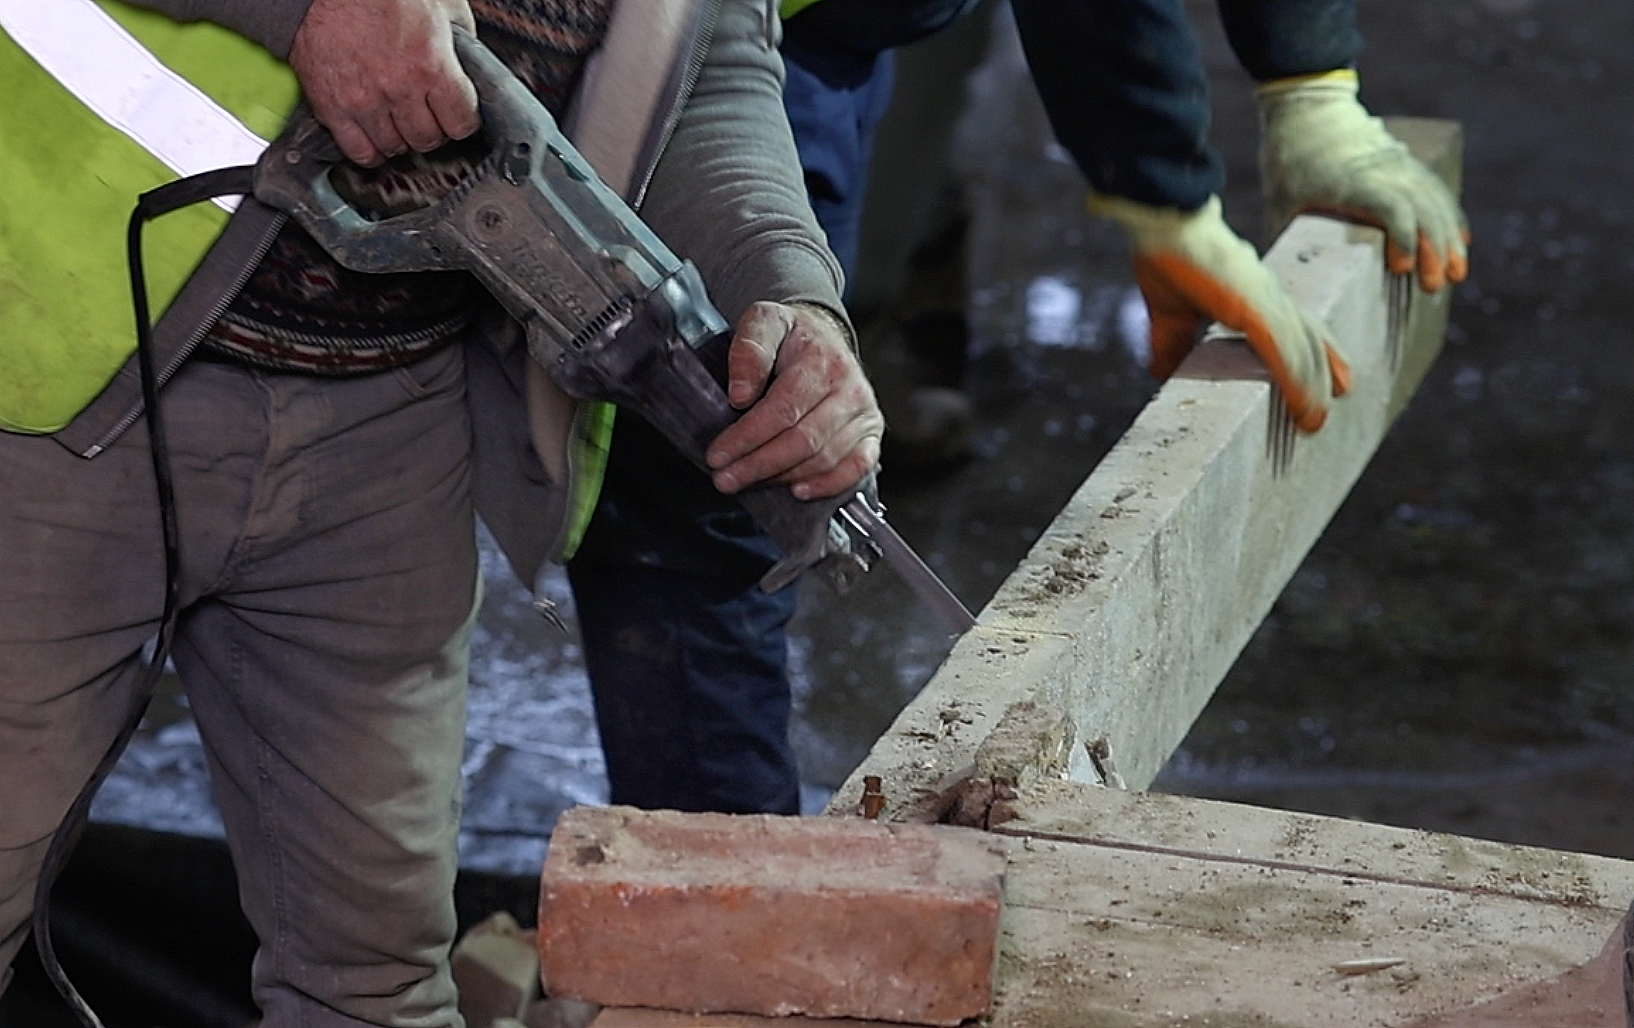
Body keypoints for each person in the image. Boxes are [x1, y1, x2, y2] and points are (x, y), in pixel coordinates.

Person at [0, 0, 882, 1024]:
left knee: (375, 980)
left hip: (387, 418)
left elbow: (708, 55)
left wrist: (792, 291)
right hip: (51, 377)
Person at [569, 0, 1471, 822]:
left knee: (765, 420)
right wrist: (1159, 182)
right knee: (717, 478)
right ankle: (710, 935)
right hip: (672, 34)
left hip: (822, 36)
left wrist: (1309, 79)